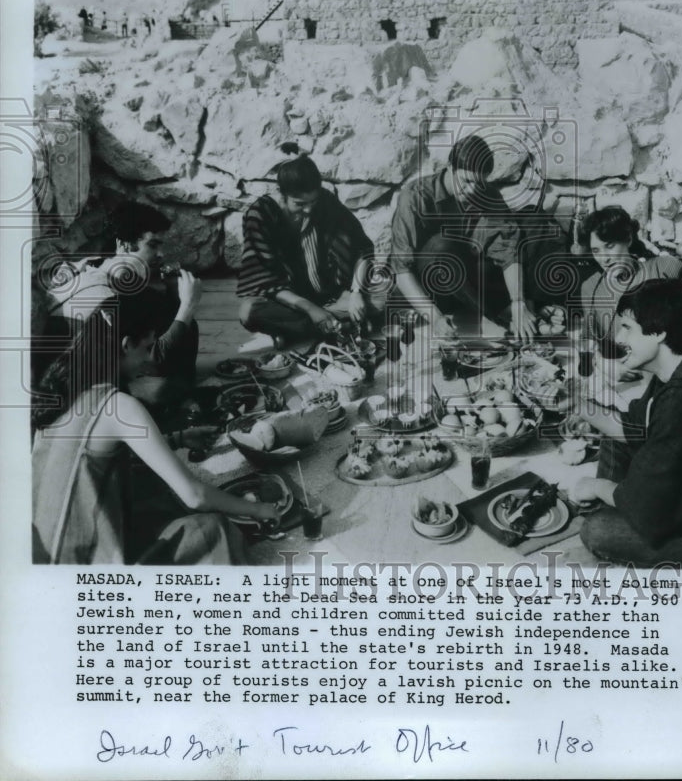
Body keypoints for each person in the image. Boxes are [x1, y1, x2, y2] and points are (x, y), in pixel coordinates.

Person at [32, 295, 280, 564]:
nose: (150, 360)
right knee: (210, 529)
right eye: (148, 347)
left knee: (154, 490)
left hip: (44, 549)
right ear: (126, 345)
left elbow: (98, 459)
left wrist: (177, 438)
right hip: (84, 559)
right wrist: (257, 509)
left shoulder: (64, 385)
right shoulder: (118, 405)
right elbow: (195, 496)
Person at [572, 279, 682, 566]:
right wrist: (576, 403)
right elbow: (634, 427)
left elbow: (648, 510)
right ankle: (616, 498)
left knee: (598, 530)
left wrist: (596, 486)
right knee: (613, 441)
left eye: (627, 327)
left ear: (659, 333)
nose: (618, 338)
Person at [389, 134, 562, 340]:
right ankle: (507, 318)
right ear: (449, 167)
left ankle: (529, 311)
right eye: (465, 181)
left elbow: (508, 250)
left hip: (470, 280)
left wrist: (519, 302)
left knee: (533, 217)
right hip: (433, 287)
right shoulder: (415, 196)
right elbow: (401, 270)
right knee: (440, 246)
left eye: (478, 183)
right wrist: (434, 318)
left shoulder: (485, 193)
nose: (471, 190)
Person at [45, 202, 200, 392]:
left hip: (58, 372)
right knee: (186, 324)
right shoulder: (109, 299)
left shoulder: (85, 267)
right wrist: (188, 305)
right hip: (78, 387)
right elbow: (154, 358)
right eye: (152, 245)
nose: (161, 254)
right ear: (122, 244)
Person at [238, 143, 384, 341]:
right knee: (249, 311)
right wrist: (311, 309)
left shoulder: (326, 201)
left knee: (383, 296)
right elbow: (265, 282)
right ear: (281, 193)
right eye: (299, 204)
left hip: (333, 295)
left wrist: (356, 292)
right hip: (289, 301)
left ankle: (300, 330)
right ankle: (337, 325)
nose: (308, 209)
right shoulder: (260, 215)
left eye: (312, 202)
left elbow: (362, 248)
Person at [578, 205, 682, 352]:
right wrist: (603, 364)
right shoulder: (591, 287)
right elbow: (590, 336)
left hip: (678, 355)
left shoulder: (665, 267)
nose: (604, 258)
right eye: (596, 251)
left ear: (628, 239)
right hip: (633, 366)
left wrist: (664, 316)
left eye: (610, 246)